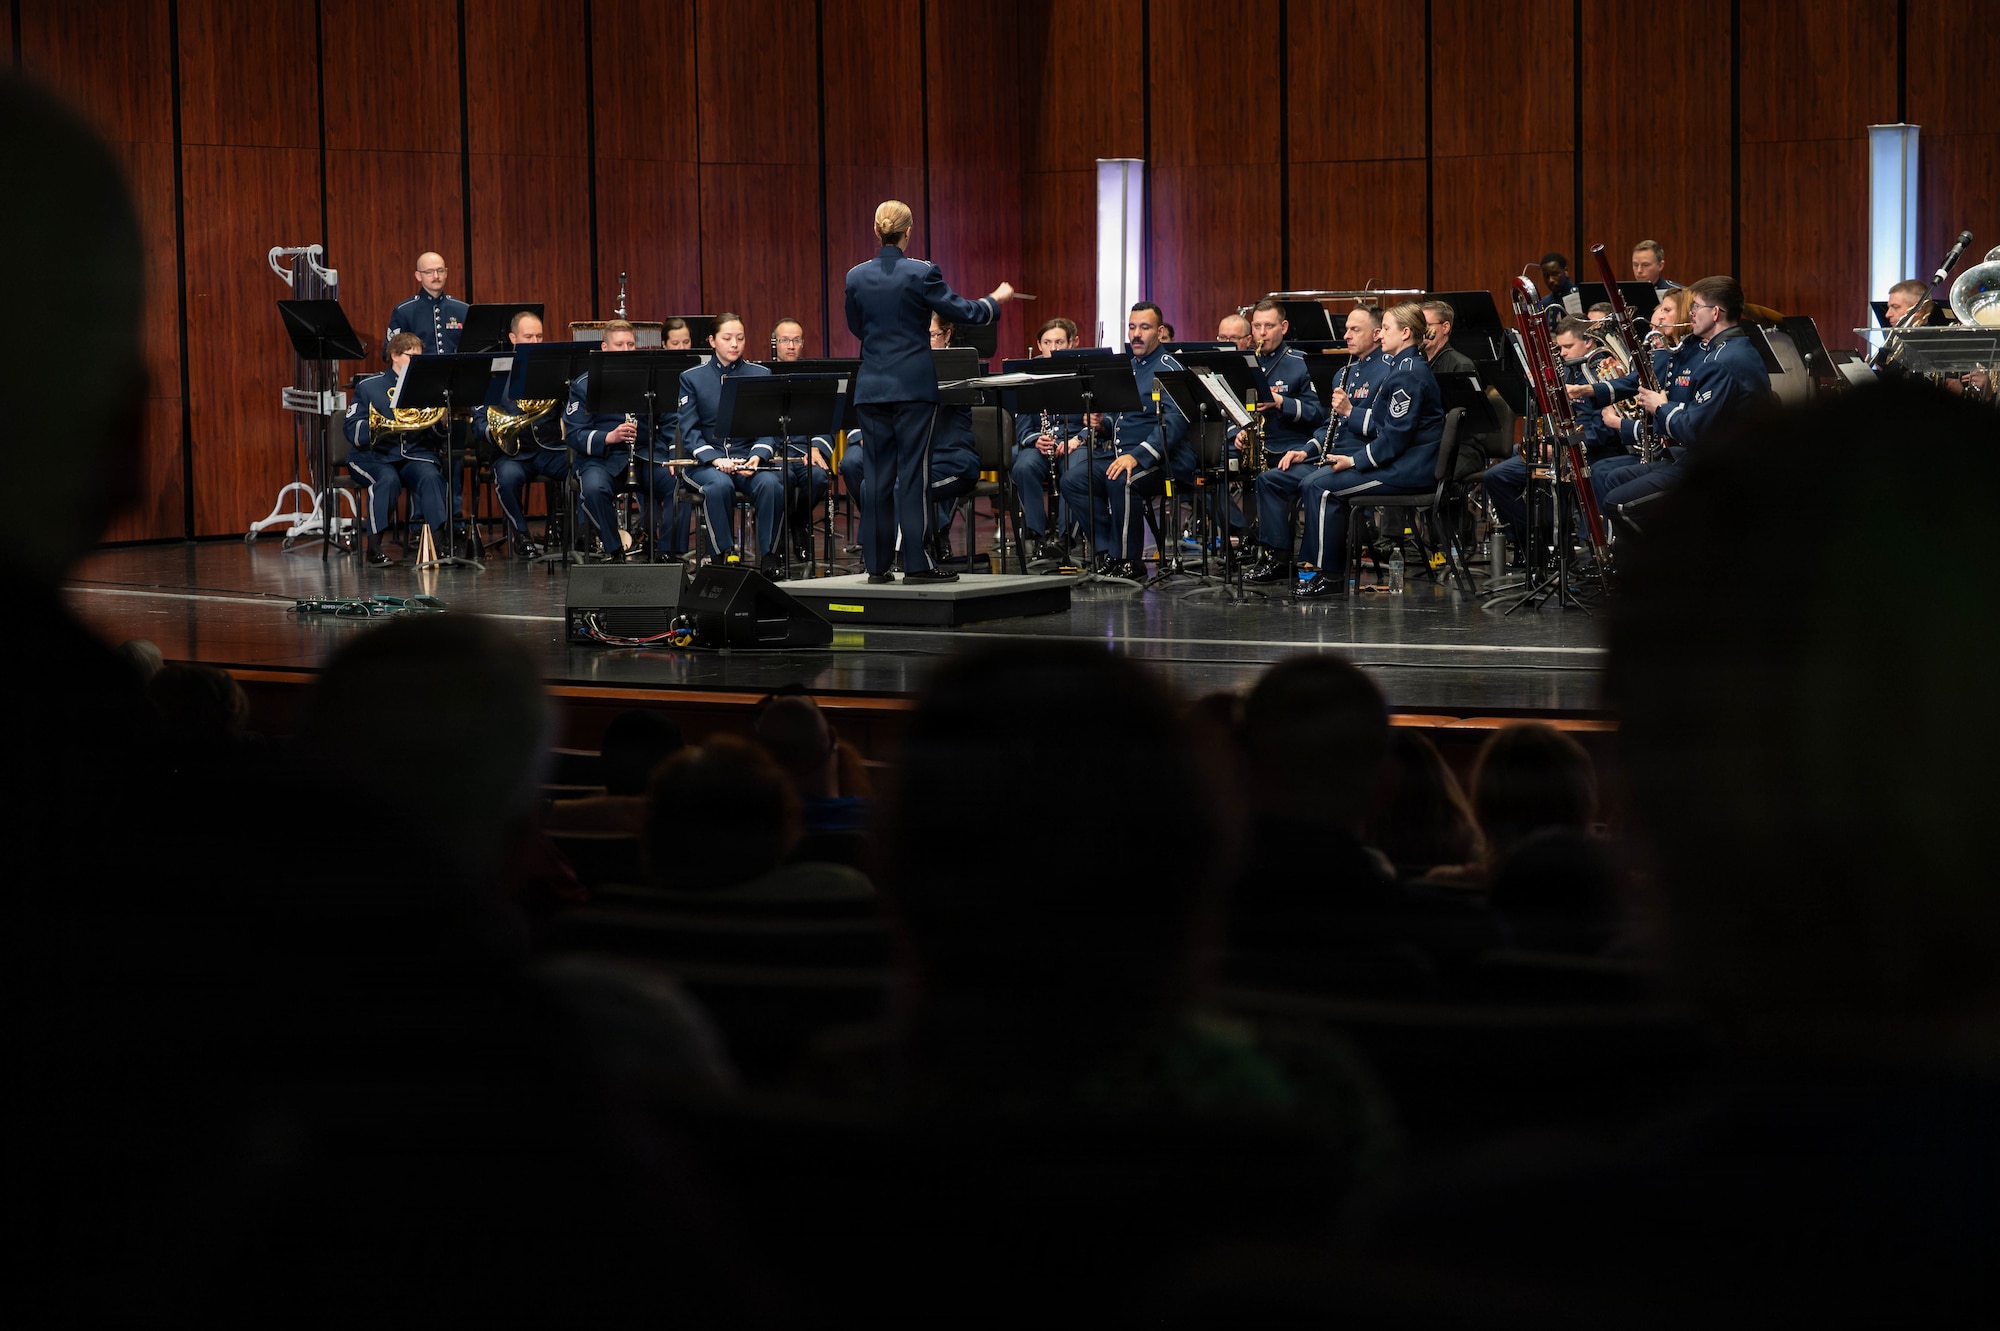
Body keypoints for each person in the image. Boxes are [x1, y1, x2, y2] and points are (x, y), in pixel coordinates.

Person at [843, 199, 1013, 584]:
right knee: (913, 474)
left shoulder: (854, 276)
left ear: (875, 230)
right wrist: (994, 301)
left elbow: (857, 326)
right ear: (908, 232)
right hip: (913, 387)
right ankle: (917, 565)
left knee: (877, 474)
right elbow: (963, 312)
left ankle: (876, 565)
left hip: (871, 387)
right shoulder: (921, 273)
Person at [1294, 302, 1445, 597]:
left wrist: (1353, 460)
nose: (1381, 334)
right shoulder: (1404, 367)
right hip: (1400, 462)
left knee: (1323, 488)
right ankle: (1315, 569)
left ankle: (1330, 576)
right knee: (1313, 482)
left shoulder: (1408, 373)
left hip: (1407, 470)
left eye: (1386, 329)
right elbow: (1380, 422)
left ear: (1404, 333)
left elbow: (1394, 439)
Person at [1597, 275, 1773, 520]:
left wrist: (1661, 407)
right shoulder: (1729, 349)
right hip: (1713, 456)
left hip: (1720, 467)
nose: (1690, 314)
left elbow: (1694, 431)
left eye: (1696, 307)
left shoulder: (1721, 361)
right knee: (1615, 478)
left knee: (1617, 503)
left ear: (1715, 313)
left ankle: (1656, 557)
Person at [1247, 304, 1389, 583]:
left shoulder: (1387, 371)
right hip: (1330, 457)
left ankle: (1327, 572)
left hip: (1361, 458)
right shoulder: (1344, 372)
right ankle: (1278, 559)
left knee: (1317, 485)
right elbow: (1329, 426)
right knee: (1271, 479)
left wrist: (1350, 412)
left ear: (1376, 334)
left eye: (1354, 330)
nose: (1346, 335)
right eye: (1346, 329)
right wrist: (1305, 451)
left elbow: (1386, 429)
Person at [1055, 302, 1190, 580]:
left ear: (1160, 332)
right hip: (1121, 454)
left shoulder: (1169, 368)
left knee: (1123, 478)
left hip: (1161, 459)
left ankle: (1130, 560)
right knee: (1073, 480)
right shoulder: (1127, 367)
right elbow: (1117, 419)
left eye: (1145, 327)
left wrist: (1137, 455)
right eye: (1132, 327)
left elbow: (1174, 423)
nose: (1136, 334)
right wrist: (1100, 424)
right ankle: (1108, 551)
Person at [1482, 316, 1626, 554]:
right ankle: (1532, 544)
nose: (1562, 353)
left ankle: (1569, 547)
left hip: (1591, 453)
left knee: (1551, 477)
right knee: (1496, 477)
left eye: (1568, 347)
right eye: (1559, 348)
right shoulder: (1566, 371)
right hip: (1560, 448)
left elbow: (1603, 431)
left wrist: (1560, 447)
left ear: (1589, 342)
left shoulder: (1601, 371)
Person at [677, 312, 790, 572]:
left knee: (772, 484)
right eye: (727, 338)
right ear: (712, 341)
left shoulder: (760, 373)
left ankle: (770, 558)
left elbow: (770, 426)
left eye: (740, 338)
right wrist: (715, 459)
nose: (734, 344)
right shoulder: (692, 378)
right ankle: (722, 557)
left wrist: (758, 455)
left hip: (747, 458)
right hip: (706, 462)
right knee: (718, 485)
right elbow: (689, 430)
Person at [344, 331, 448, 565]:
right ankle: (374, 546)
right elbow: (351, 428)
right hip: (373, 456)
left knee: (432, 476)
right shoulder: (369, 386)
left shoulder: (426, 386)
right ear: (394, 356)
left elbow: (435, 436)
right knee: (387, 480)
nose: (416, 362)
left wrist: (442, 424)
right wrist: (378, 428)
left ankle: (439, 544)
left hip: (413, 454)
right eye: (411, 356)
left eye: (420, 357)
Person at [476, 310, 571, 559]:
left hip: (549, 448)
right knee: (506, 479)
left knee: (582, 468)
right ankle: (522, 535)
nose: (535, 343)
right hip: (511, 454)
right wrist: (499, 431)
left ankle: (578, 535)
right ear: (513, 338)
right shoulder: (497, 373)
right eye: (528, 337)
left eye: (539, 336)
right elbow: (478, 424)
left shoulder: (553, 371)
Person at [562, 319, 653, 561]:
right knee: (593, 488)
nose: (626, 350)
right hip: (601, 458)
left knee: (672, 483)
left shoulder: (649, 379)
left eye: (631, 344)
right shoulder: (584, 384)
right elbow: (574, 433)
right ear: (604, 348)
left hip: (642, 455)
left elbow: (662, 423)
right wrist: (609, 437)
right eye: (619, 344)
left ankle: (663, 550)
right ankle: (615, 549)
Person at [1011, 316, 1093, 561]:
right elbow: (1023, 427)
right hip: (1041, 443)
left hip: (1075, 442)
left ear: (1073, 343)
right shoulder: (1028, 373)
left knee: (1077, 469)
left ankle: (1068, 537)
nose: (1053, 348)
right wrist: (1036, 439)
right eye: (1047, 342)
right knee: (1024, 466)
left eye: (1059, 342)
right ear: (1039, 345)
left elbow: (1100, 417)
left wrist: (1079, 438)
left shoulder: (1086, 371)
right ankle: (1037, 535)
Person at [767, 318, 832, 561]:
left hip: (805, 450)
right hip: (773, 454)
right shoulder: (761, 374)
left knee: (817, 477)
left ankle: (799, 520)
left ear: (803, 344)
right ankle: (780, 534)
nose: (791, 345)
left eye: (796, 340)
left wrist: (816, 447)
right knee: (779, 481)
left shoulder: (814, 378)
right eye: (785, 340)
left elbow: (826, 420)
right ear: (775, 343)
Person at [386, 251, 467, 357]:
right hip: (420, 372)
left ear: (446, 273)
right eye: (429, 272)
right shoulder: (404, 311)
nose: (436, 276)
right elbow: (390, 353)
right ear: (418, 276)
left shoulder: (463, 309)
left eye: (440, 271)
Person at [1420, 299, 1477, 376]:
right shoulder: (1417, 363)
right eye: (1418, 325)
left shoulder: (1461, 366)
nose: (1421, 330)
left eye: (1428, 325)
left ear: (1445, 327)